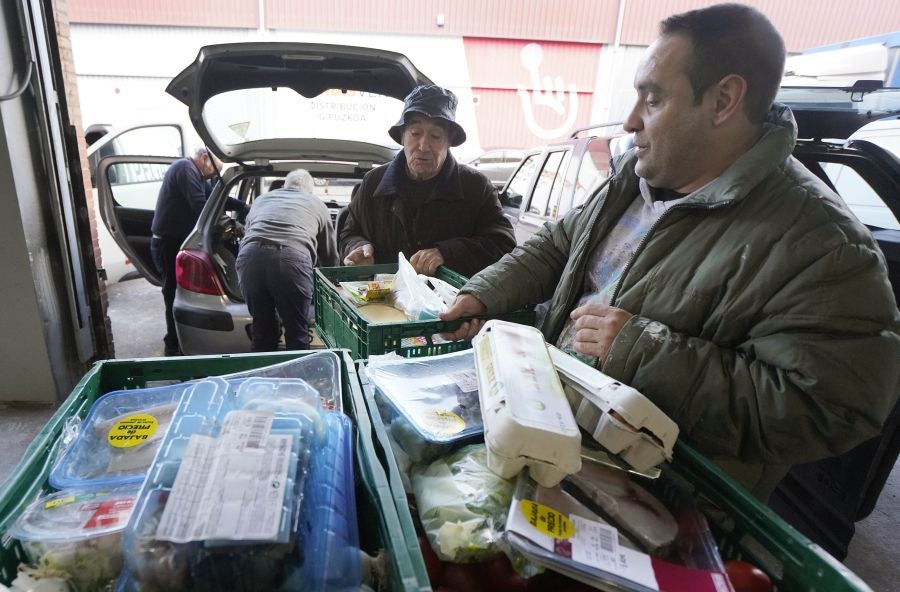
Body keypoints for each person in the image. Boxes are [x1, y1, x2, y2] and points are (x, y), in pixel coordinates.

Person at [442, 3, 900, 500]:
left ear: (724, 99)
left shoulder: (823, 244)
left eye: (653, 100)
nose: (631, 122)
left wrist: (642, 351)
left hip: (655, 501)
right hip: (549, 439)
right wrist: (483, 293)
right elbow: (557, 246)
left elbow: (831, 410)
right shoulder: (630, 180)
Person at [339, 84, 515, 277]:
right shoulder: (373, 183)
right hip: (380, 299)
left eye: (436, 136)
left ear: (449, 142)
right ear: (403, 137)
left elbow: (503, 244)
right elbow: (349, 233)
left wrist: (447, 253)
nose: (423, 146)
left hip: (450, 303)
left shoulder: (476, 187)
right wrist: (357, 247)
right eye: (415, 133)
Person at [150, 147, 247, 356]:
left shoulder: (198, 175)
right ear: (205, 158)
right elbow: (201, 206)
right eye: (214, 172)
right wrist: (229, 225)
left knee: (175, 292)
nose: (213, 177)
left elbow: (218, 199)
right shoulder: (185, 169)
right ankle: (174, 346)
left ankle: (175, 341)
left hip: (176, 239)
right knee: (173, 293)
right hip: (169, 242)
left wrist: (247, 207)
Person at [236, 169, 338, 351]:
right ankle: (296, 378)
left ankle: (263, 377)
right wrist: (334, 285)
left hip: (249, 259)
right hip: (291, 261)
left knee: (262, 331)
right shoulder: (317, 204)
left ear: (285, 186)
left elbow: (248, 232)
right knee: (297, 333)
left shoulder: (261, 200)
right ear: (310, 191)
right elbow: (329, 255)